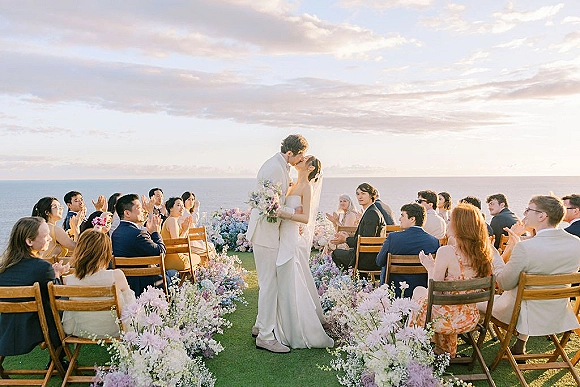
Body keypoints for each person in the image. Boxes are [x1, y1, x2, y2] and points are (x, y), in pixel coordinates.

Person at [479, 195, 580, 357]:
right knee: (529, 297)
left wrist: (494, 255)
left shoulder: (526, 248)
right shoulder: (576, 243)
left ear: (542, 216)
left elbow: (504, 283)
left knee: (475, 301)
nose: (524, 213)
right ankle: (519, 346)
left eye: (528, 209)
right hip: (558, 313)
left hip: (520, 314)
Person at [246, 134, 308, 354]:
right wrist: (294, 212)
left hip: (268, 232)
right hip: (265, 233)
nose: (302, 159)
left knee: (267, 282)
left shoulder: (279, 166)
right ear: (291, 152)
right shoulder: (274, 168)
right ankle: (265, 336)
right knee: (269, 283)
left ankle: (259, 326)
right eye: (300, 154)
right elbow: (269, 206)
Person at [413, 203, 493, 358]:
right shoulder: (485, 253)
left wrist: (430, 267)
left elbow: (434, 293)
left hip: (446, 320)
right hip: (470, 318)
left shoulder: (447, 252)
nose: (447, 222)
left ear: (460, 226)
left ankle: (420, 347)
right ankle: (441, 350)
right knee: (423, 295)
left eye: (450, 220)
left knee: (420, 296)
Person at [274, 156, 334, 349]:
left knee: (290, 276)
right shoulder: (291, 184)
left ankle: (297, 328)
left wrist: (285, 214)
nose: (300, 159)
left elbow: (306, 218)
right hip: (283, 233)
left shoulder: (306, 187)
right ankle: (280, 323)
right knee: (283, 276)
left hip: (291, 235)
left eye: (305, 159)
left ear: (310, 168)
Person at [0, 217, 69, 364]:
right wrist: (56, 276)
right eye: (45, 236)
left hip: (5, 330)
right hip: (35, 330)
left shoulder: (3, 268)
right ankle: (57, 360)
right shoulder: (42, 268)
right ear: (29, 242)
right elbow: (58, 299)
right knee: (63, 308)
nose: (50, 239)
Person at [62, 230, 135, 338]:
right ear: (106, 253)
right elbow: (131, 305)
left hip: (81, 330)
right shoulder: (116, 276)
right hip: (114, 330)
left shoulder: (68, 280)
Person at [111, 194, 172, 297]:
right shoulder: (138, 234)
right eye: (138, 207)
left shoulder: (116, 233)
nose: (143, 210)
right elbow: (160, 252)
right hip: (146, 283)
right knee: (173, 273)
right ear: (127, 213)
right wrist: (156, 232)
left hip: (127, 283)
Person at [375, 203, 439, 295]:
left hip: (395, 291)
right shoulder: (434, 242)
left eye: (402, 215)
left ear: (412, 219)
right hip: (421, 292)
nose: (399, 219)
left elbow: (379, 261)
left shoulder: (393, 238)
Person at [331, 183, 386, 271]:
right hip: (367, 254)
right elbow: (365, 236)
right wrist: (347, 237)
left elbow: (367, 240)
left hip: (368, 259)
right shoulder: (371, 211)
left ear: (371, 195)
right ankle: (352, 277)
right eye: (358, 194)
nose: (360, 196)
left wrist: (345, 239)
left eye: (363, 193)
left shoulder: (372, 213)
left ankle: (354, 278)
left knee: (335, 253)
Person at [161, 197, 198, 271]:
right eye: (178, 205)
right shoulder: (172, 220)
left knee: (194, 257)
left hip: (170, 259)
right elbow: (176, 244)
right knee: (198, 258)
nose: (182, 208)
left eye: (182, 206)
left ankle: (186, 280)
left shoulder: (172, 220)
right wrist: (185, 230)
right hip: (175, 261)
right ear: (171, 208)